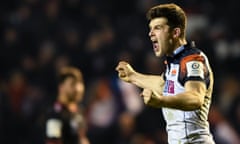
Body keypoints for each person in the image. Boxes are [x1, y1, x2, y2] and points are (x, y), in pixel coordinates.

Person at [115, 3, 215, 144]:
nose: (151, 34)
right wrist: (133, 76)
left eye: (158, 28)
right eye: (150, 29)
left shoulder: (192, 59)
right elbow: (164, 85)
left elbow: (195, 98)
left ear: (175, 33)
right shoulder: (174, 61)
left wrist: (161, 101)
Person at [44, 66, 90, 144]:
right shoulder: (55, 114)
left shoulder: (78, 110)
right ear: (61, 87)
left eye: (80, 83)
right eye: (73, 84)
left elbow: (82, 138)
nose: (78, 88)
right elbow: (52, 142)